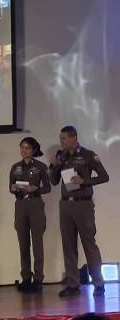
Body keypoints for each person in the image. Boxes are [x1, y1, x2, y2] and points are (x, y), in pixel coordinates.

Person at [49, 126, 109, 297]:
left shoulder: (89, 155)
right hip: (65, 205)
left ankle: (98, 283)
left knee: (89, 244)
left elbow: (104, 177)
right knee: (68, 245)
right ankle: (73, 284)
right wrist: (55, 166)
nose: (61, 142)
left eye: (64, 138)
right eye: (60, 138)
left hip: (83, 204)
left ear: (74, 138)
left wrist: (84, 181)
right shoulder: (61, 156)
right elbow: (54, 181)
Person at [9, 137, 51, 293]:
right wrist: (13, 188)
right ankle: (26, 278)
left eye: (27, 148)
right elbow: (10, 186)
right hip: (21, 205)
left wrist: (35, 189)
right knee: (23, 243)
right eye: (22, 147)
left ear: (33, 150)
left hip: (35, 204)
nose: (23, 151)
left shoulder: (40, 167)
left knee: (37, 243)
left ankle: (38, 279)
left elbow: (47, 187)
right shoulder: (15, 167)